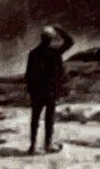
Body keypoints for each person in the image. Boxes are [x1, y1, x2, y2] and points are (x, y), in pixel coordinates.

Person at [24, 24, 74, 154]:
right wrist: (60, 29)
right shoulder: (54, 52)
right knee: (49, 118)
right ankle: (47, 144)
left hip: (38, 91)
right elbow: (70, 42)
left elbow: (28, 74)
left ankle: (33, 146)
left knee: (35, 118)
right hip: (51, 89)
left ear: (41, 38)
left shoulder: (33, 53)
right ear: (50, 39)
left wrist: (30, 90)